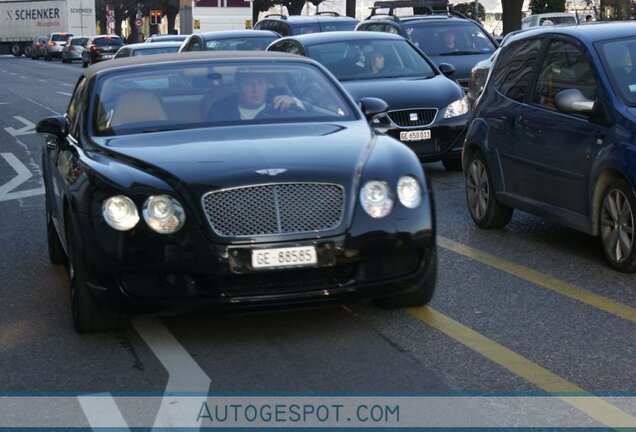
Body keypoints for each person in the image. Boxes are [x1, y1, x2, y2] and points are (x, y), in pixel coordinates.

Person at [207, 69, 302, 121]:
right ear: (236, 88)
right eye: (248, 84)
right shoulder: (221, 109)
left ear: (267, 85)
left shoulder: (280, 103)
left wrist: (295, 102)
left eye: (260, 83)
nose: (256, 90)